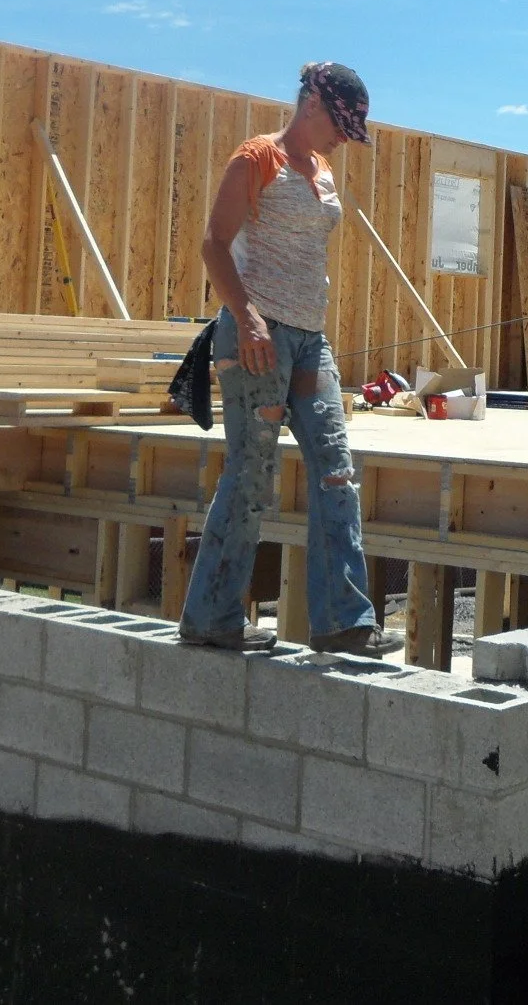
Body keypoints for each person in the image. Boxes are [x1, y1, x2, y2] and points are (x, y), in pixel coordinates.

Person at [176, 62, 403, 657]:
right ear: (311, 106)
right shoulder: (256, 158)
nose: (343, 138)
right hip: (257, 337)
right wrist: (248, 318)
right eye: (340, 124)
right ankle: (211, 617)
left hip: (308, 340)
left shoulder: (323, 169)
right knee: (252, 475)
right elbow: (213, 244)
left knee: (336, 471)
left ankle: (344, 623)